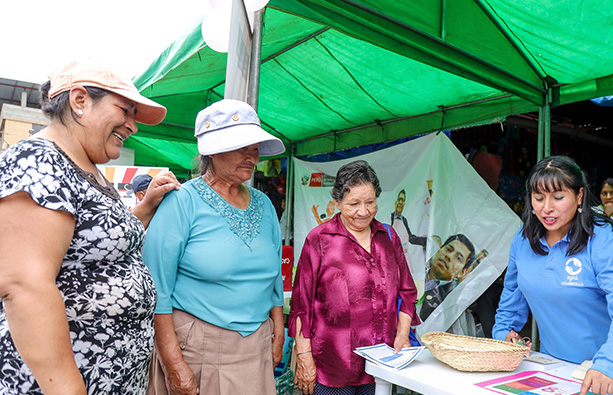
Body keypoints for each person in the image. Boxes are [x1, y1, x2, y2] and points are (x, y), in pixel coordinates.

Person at [0, 59, 179, 394]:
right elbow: (24, 285)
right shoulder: (39, 161)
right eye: (125, 111)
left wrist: (144, 208)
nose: (132, 126)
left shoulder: (86, 167)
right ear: (80, 101)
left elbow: (97, 244)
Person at [143, 99, 286, 394]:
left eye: (255, 146)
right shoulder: (181, 202)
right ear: (213, 150)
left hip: (256, 344)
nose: (252, 156)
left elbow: (274, 277)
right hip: (197, 349)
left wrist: (278, 330)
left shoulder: (264, 204)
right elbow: (157, 289)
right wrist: (173, 365)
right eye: (242, 146)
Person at [493, 155, 613, 395]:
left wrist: (609, 363)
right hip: (557, 371)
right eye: (539, 198)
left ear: (580, 196)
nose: (547, 208)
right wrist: (505, 333)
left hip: (612, 372)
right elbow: (512, 296)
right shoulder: (523, 240)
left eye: (558, 197)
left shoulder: (601, 238)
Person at [289, 160, 420, 395]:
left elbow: (407, 291)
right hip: (333, 367)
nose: (363, 211)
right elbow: (302, 306)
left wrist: (402, 335)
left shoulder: (388, 237)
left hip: (380, 364)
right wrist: (305, 357)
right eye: (353, 204)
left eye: (370, 202)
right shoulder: (319, 240)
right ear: (337, 203)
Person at [419, 234, 476, 321]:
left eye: (458, 258)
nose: (448, 256)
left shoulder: (453, 301)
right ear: (439, 250)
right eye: (448, 249)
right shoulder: (415, 271)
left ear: (462, 272)